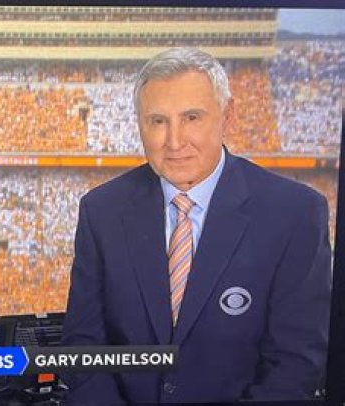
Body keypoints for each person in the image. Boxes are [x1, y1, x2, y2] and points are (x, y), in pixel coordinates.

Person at [61, 48, 331, 404]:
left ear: (227, 116)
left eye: (191, 117)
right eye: (158, 121)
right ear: (139, 123)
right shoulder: (101, 210)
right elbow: (83, 348)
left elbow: (294, 363)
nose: (174, 142)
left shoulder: (295, 213)